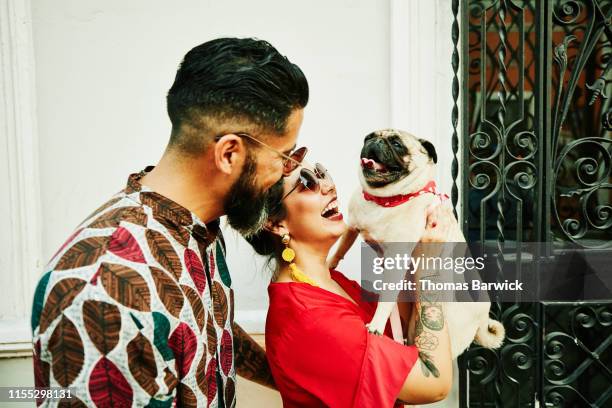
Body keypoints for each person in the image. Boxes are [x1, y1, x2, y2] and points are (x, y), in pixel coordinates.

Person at [30, 37, 309, 407]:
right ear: (229, 153)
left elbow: (208, 332)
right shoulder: (105, 289)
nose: (286, 173)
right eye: (285, 157)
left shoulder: (201, 227)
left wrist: (307, 385)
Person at [246, 162, 454, 407]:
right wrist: (429, 267)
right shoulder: (311, 316)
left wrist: (401, 253)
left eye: (322, 173)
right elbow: (435, 384)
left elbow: (405, 325)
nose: (328, 185)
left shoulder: (331, 281)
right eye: (306, 183)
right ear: (276, 223)